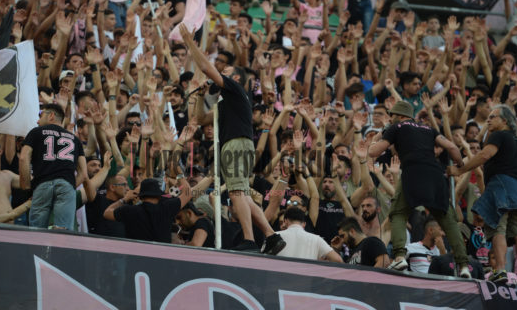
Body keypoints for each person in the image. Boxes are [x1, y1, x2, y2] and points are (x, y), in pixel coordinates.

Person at [179, 24, 286, 255]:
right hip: (237, 144)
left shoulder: (235, 88)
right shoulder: (226, 102)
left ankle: (249, 239)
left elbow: (206, 68)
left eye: (224, 70)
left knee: (237, 193)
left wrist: (189, 43)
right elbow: (201, 119)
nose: (219, 71)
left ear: (235, 77)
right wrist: (200, 97)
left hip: (236, 144)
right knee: (243, 194)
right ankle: (271, 236)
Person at [368, 101, 471, 278]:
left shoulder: (396, 127)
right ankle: (463, 266)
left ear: (400, 116)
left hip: (412, 172)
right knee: (449, 220)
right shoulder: (428, 129)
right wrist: (460, 165)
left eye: (392, 116)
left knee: (398, 214)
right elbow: (452, 147)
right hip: (435, 175)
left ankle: (399, 257)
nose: (390, 119)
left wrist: (374, 140)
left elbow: (373, 152)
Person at [448, 105, 517, 287]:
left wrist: (460, 170)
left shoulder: (498, 135)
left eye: (493, 117)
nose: (488, 119)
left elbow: (485, 155)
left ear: (504, 121)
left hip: (499, 185)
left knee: (498, 227)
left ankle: (500, 270)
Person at [19, 104, 87, 230]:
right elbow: (83, 173)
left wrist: (26, 186)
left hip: (42, 185)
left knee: (37, 232)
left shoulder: (36, 132)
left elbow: (23, 157)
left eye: (40, 115)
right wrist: (70, 186)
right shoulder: (75, 139)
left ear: (51, 116)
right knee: (63, 233)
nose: (38, 121)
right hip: (66, 185)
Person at [103, 178, 189, 243]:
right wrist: (180, 176)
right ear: (159, 196)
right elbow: (188, 194)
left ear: (140, 197)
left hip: (135, 259)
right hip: (161, 258)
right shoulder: (168, 207)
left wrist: (124, 199)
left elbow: (107, 213)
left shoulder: (129, 210)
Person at [276, 207, 343, 262]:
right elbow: (338, 260)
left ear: (285, 221)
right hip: (305, 275)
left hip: (279, 274)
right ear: (304, 224)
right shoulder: (316, 239)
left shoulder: (275, 236)